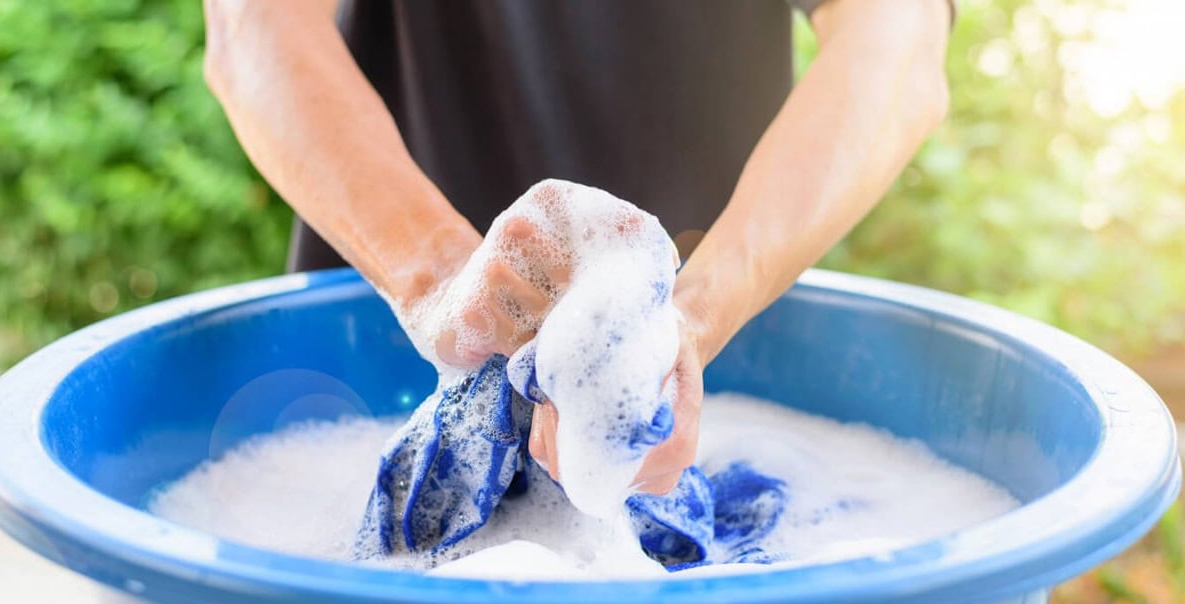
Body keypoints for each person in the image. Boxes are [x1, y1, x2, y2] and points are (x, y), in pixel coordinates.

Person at [203, 0, 951, 495]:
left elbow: (897, 42)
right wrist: (440, 281)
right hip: (380, 392)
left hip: (701, 413)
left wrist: (693, 315)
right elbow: (255, 27)